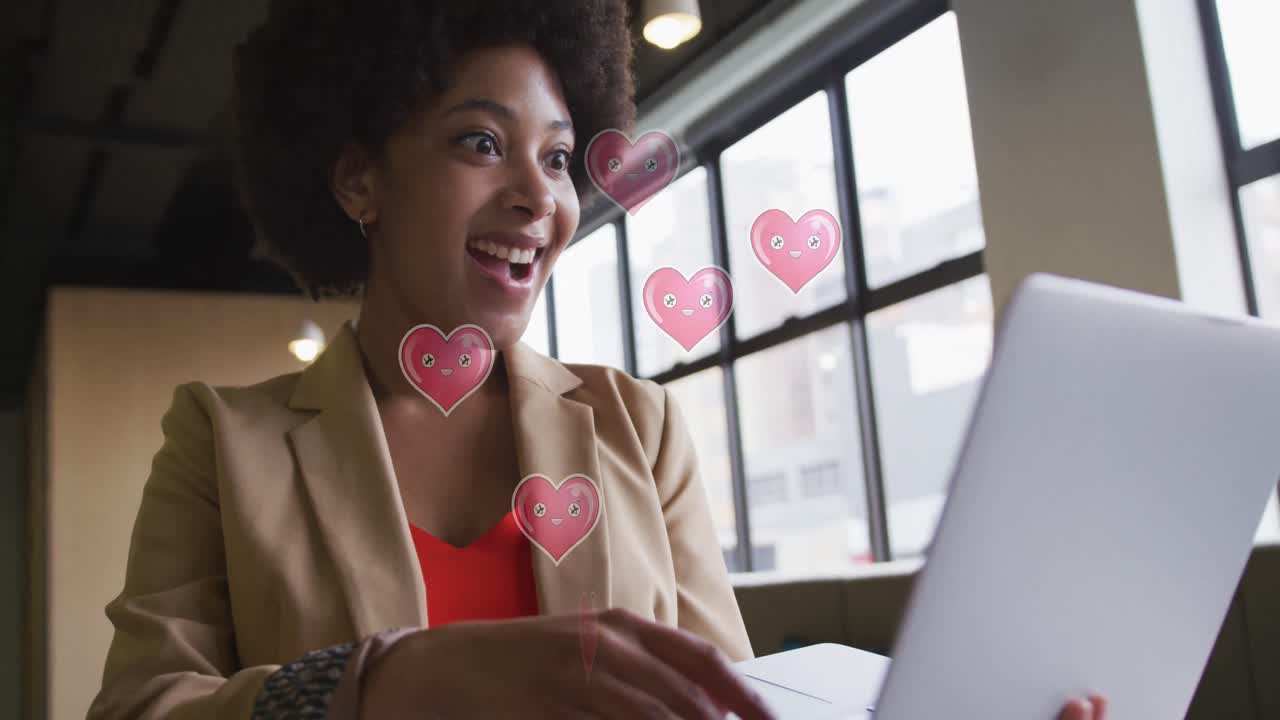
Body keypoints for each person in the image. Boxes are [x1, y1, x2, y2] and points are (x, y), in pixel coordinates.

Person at [86, 2, 1107, 718]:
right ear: (359, 180)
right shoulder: (224, 441)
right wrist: (385, 686)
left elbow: (731, 708)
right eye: (481, 143)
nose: (542, 198)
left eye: (561, 157)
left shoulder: (636, 426)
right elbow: (141, 708)